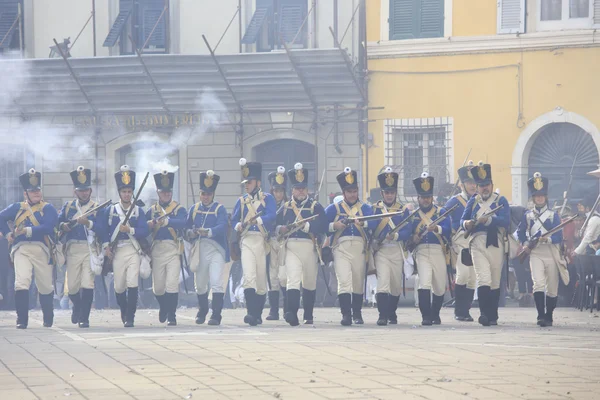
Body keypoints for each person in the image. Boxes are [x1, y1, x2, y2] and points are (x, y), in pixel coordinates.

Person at [0, 169, 58, 329]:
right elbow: (1, 217)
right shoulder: (17, 207)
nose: (36, 193)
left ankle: (48, 318)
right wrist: (7, 234)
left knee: (45, 285)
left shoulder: (48, 208)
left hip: (42, 249)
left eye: (37, 190)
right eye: (33, 191)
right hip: (21, 249)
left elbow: (48, 227)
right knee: (21, 282)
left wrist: (27, 231)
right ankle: (22, 320)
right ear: (26, 193)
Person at [275, 163, 326, 326]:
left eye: (303, 188)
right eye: (297, 188)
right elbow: (274, 225)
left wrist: (308, 227)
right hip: (291, 247)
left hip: (309, 247)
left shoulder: (315, 206)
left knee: (309, 281)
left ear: (308, 189)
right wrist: (280, 229)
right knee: (293, 279)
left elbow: (323, 226)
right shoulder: (285, 208)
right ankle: (292, 313)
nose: (301, 191)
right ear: (292, 190)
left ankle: (308, 314)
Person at [460, 162, 510, 326]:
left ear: (492, 185)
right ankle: (483, 314)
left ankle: (492, 315)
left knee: (495, 281)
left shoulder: (500, 200)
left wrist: (489, 220)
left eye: (486, 185)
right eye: (481, 185)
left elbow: (506, 221)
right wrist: (467, 223)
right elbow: (463, 220)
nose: (484, 188)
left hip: (495, 241)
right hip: (477, 242)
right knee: (483, 279)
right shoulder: (473, 202)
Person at [100, 166, 149, 328]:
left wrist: (130, 230)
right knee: (119, 285)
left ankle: (131, 317)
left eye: (129, 191)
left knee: (132, 282)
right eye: (124, 191)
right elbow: (104, 231)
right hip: (118, 250)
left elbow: (144, 230)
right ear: (119, 193)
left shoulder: (138, 211)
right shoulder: (111, 210)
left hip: (133, 249)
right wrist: (106, 247)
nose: (127, 194)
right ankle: (124, 310)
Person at [517, 172, 567, 327]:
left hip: (551, 252)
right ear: (533, 197)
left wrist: (548, 239)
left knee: (552, 287)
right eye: (536, 196)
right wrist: (525, 243)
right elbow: (520, 232)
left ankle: (549, 315)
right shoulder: (527, 215)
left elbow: (559, 237)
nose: (539, 198)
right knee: (538, 284)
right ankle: (540, 315)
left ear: (546, 197)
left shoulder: (554, 216)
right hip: (536, 252)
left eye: (542, 195)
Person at [325, 167, 373, 326]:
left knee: (358, 281)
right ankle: (346, 314)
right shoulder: (334, 209)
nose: (352, 194)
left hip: (359, 248)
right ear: (343, 192)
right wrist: (335, 225)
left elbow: (375, 222)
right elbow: (321, 224)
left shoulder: (365, 208)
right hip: (341, 247)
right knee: (344, 281)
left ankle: (357, 314)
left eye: (354, 191)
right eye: (349, 191)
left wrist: (364, 223)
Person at [231, 159, 276, 326]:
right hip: (247, 240)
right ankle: (250, 313)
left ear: (257, 182)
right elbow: (234, 220)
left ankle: (257, 314)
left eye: (249, 182)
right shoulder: (241, 201)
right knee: (249, 276)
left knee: (261, 280)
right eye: (245, 183)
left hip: (262, 241)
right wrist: (239, 225)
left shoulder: (267, 199)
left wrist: (258, 220)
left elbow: (272, 216)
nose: (246, 185)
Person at [403, 172, 451, 326]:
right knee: (425, 282)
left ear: (432, 197)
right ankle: (425, 316)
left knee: (439, 285)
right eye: (423, 197)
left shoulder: (441, 212)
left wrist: (436, 228)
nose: (425, 200)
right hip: (422, 251)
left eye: (428, 197)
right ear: (418, 198)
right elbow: (407, 234)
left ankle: (435, 314)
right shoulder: (413, 215)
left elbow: (449, 229)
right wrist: (414, 238)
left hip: (438, 250)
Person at [57, 166, 102, 328]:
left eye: (86, 190)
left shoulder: (97, 208)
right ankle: (77, 305)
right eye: (80, 190)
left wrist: (88, 223)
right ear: (75, 191)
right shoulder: (69, 207)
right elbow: (58, 223)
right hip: (72, 249)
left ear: (90, 191)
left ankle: (84, 318)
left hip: (89, 248)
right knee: (73, 287)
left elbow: (102, 228)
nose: (84, 193)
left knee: (88, 283)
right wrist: (64, 226)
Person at [186, 170, 230, 325]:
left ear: (213, 194)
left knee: (217, 281)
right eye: (203, 193)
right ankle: (203, 310)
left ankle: (216, 315)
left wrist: (209, 232)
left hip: (216, 249)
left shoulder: (220, 209)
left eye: (209, 194)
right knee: (200, 283)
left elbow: (223, 226)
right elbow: (186, 229)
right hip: (200, 249)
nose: (206, 197)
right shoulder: (193, 209)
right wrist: (191, 232)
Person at [146, 171, 187, 326]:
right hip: (157, 249)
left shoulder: (178, 208)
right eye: (163, 192)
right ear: (158, 192)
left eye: (168, 192)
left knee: (171, 284)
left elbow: (184, 223)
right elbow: (143, 228)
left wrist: (168, 222)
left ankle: (172, 315)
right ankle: (164, 306)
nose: (166, 195)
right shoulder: (152, 210)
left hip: (173, 249)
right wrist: (150, 224)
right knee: (158, 288)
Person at [369, 167, 408, 326]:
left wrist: (396, 235)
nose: (389, 195)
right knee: (383, 282)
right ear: (382, 193)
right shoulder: (374, 209)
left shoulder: (402, 210)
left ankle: (392, 312)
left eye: (392, 192)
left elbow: (408, 231)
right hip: (382, 250)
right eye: (387, 192)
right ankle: (382, 315)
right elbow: (370, 226)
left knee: (395, 285)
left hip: (396, 249)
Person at [444, 161, 477, 321]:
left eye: (474, 182)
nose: (472, 186)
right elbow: (445, 220)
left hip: (476, 243)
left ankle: (466, 310)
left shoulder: (480, 200)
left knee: (473, 278)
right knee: (463, 275)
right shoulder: (454, 202)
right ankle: (459, 310)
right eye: (469, 182)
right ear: (462, 185)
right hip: (460, 242)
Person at [266, 167, 288, 321]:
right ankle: (273, 311)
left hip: (285, 243)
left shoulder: (289, 206)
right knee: (272, 277)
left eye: (280, 191)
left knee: (285, 277)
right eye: (275, 190)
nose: (278, 194)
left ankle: (287, 310)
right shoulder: (266, 205)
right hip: (271, 242)